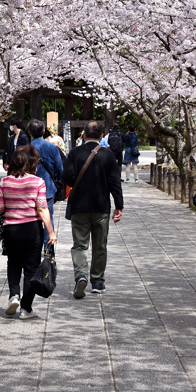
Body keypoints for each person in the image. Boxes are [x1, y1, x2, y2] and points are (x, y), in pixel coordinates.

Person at [61, 120, 124, 298]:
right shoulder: (108, 154)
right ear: (101, 136)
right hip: (101, 206)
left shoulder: (74, 153)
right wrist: (119, 205)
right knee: (100, 245)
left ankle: (81, 275)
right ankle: (97, 281)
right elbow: (115, 183)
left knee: (80, 245)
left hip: (79, 206)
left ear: (84, 134)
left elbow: (67, 176)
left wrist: (77, 184)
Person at [0, 145, 57, 320]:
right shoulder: (38, 182)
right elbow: (43, 209)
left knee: (13, 263)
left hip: (11, 229)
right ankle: (26, 308)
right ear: (31, 163)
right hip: (32, 229)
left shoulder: (5, 182)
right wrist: (51, 233)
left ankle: (14, 295)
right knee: (31, 269)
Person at [26, 119, 63, 246]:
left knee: (30, 220)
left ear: (29, 132)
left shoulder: (24, 149)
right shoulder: (53, 147)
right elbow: (59, 168)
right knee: (48, 217)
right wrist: (58, 179)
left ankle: (33, 246)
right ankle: (48, 249)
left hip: (27, 189)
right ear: (43, 131)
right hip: (47, 188)